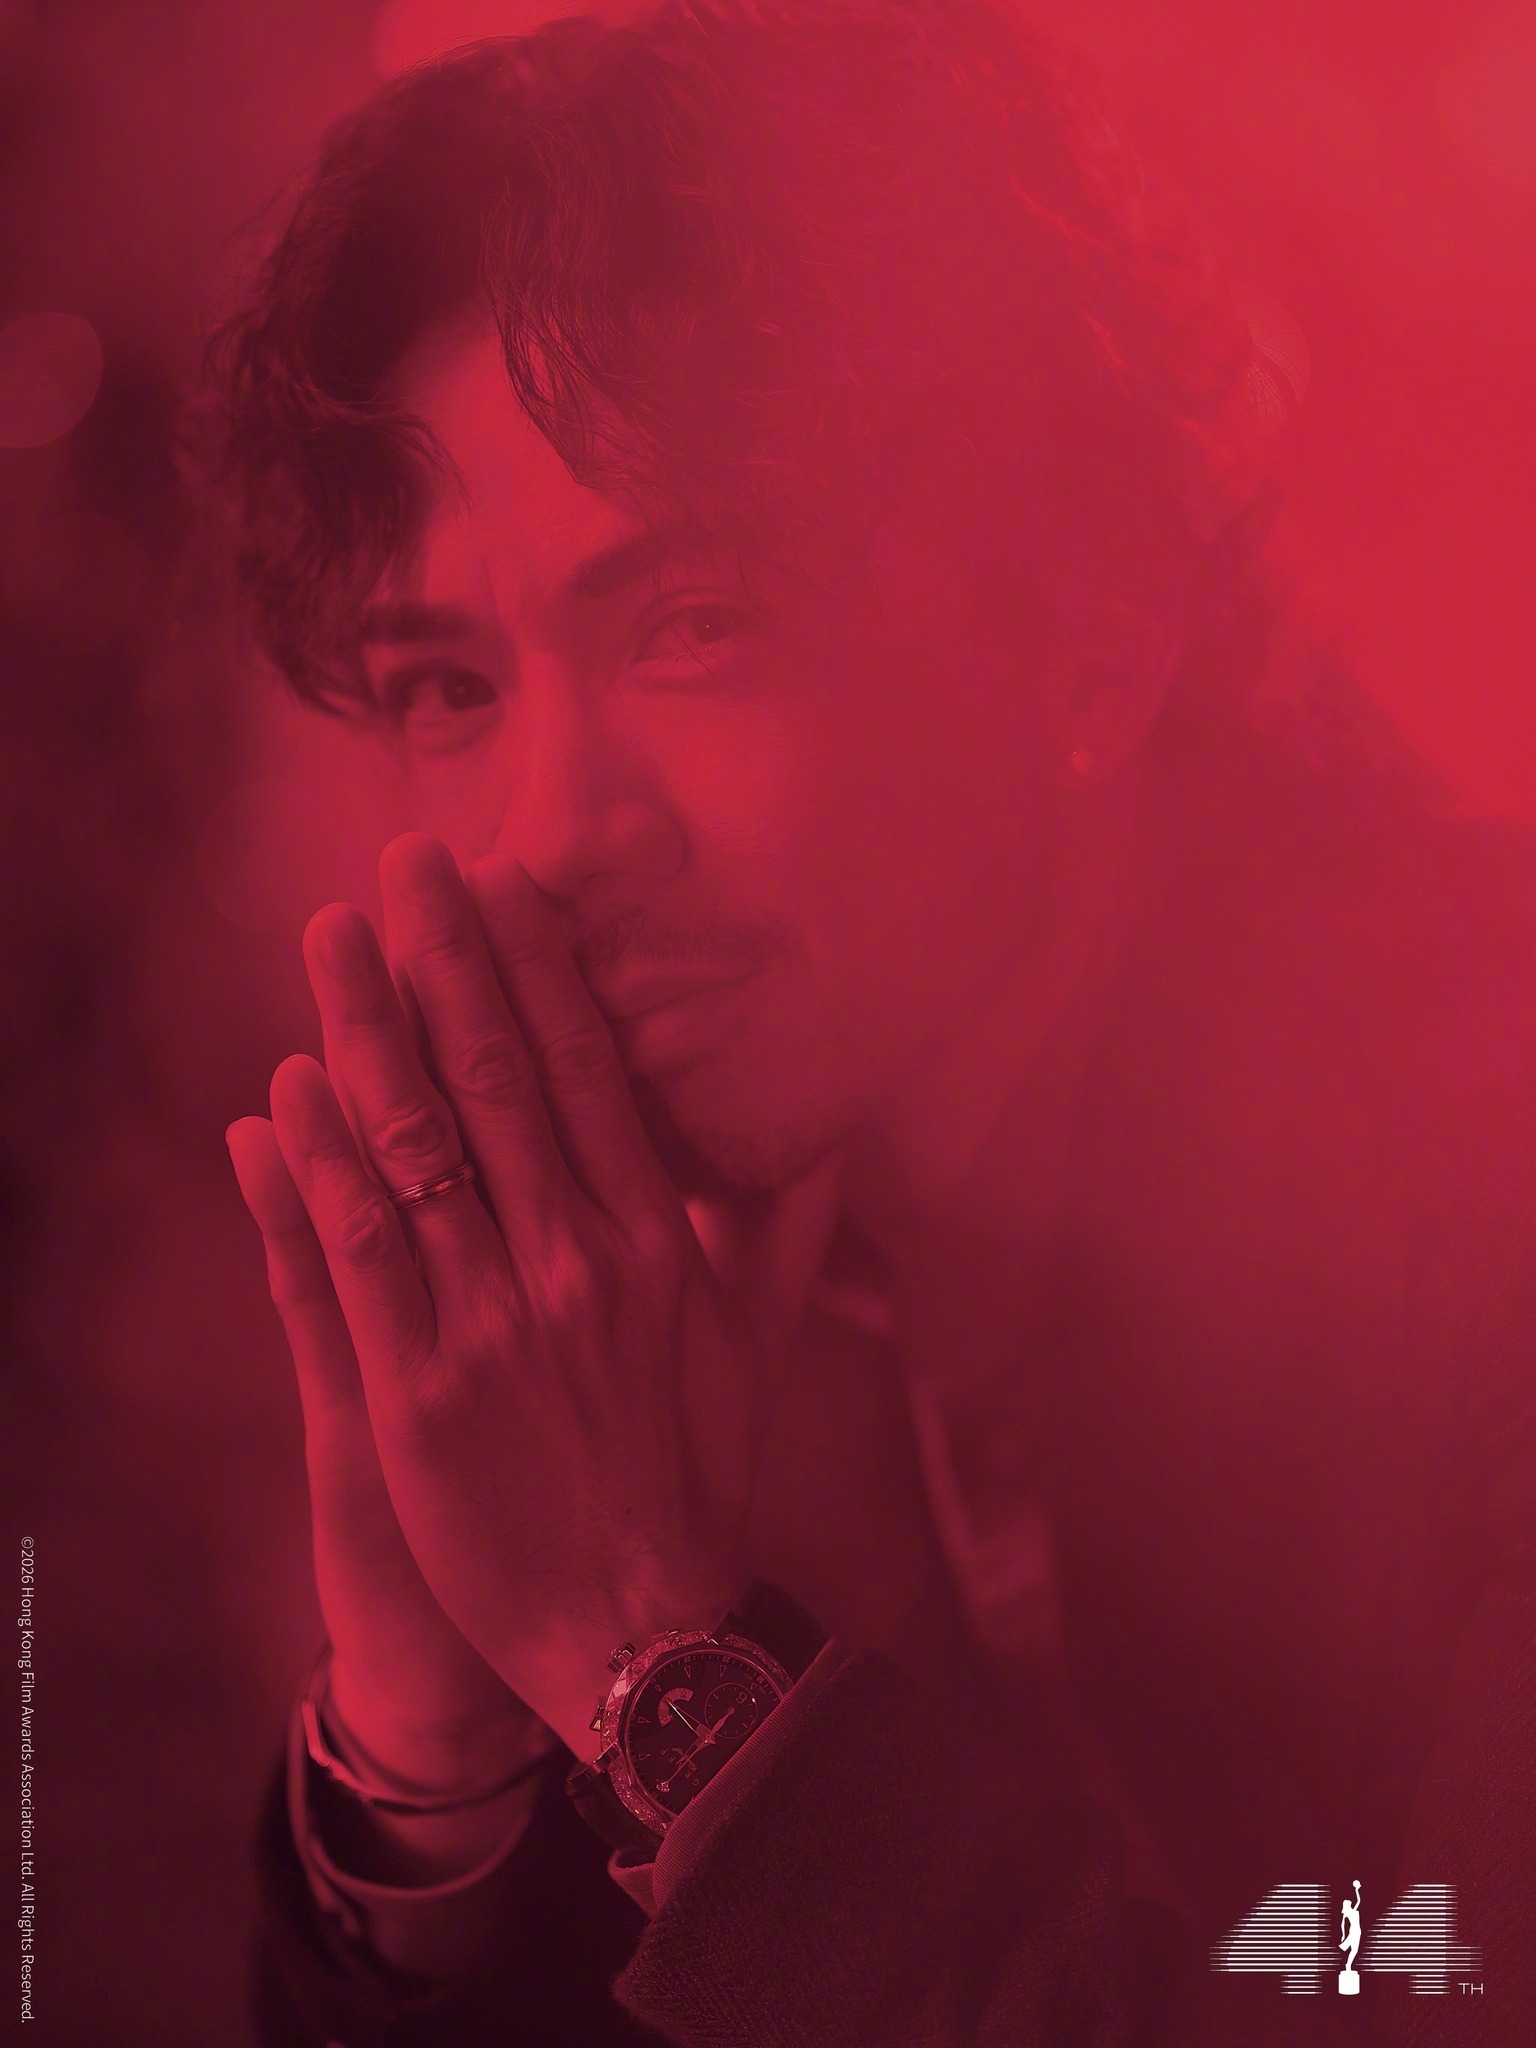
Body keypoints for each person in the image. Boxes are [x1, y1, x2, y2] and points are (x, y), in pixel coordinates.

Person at [194, 2, 1536, 2041]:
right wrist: (432, 1737)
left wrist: (664, 1665)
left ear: (1093, 626)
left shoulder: (1478, 1161)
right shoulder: (687, 1293)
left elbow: (1428, 1986)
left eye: (695, 622)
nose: (546, 833)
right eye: (449, 687)